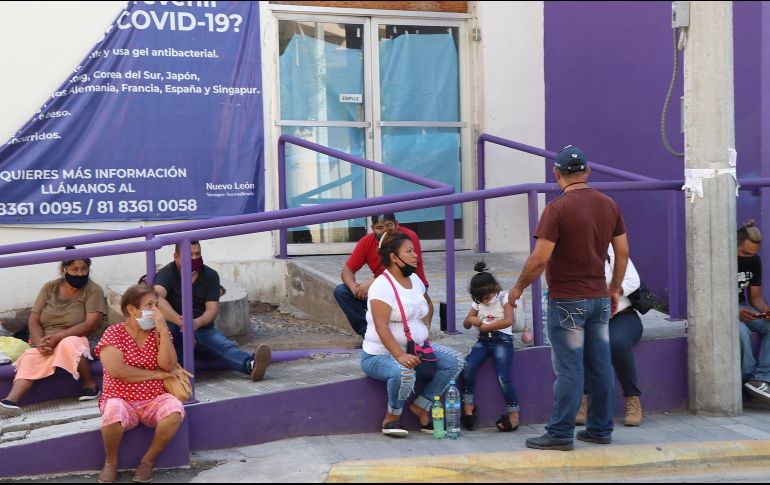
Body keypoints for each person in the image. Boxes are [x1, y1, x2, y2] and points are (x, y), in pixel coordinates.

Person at [508, 145, 629, 451]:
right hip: (599, 298)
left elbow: (539, 259)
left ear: (556, 173)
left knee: (569, 369)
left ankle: (561, 433)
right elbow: (623, 251)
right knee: (600, 365)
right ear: (587, 171)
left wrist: (518, 288)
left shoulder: (556, 209)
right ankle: (600, 430)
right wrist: (614, 288)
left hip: (567, 301)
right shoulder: (609, 205)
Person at [360, 232, 463, 437]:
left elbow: (427, 304)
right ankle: (392, 417)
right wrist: (400, 355)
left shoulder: (415, 279)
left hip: (415, 348)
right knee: (404, 372)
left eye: (414, 250)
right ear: (394, 257)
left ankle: (421, 405)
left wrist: (422, 332)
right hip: (379, 355)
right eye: (409, 251)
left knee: (455, 361)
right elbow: (381, 326)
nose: (415, 255)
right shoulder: (381, 286)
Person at [94, 284, 184, 483]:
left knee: (174, 409)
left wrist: (162, 328)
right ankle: (111, 463)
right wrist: (155, 375)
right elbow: (117, 370)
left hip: (153, 399)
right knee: (113, 412)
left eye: (156, 305)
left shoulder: (159, 332)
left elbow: (168, 366)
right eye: (149, 305)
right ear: (132, 310)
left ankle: (147, 461)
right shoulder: (114, 332)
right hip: (120, 398)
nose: (155, 311)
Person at [0, 250, 106, 417]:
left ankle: (90, 385)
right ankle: (10, 402)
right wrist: (39, 342)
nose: (80, 273)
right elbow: (33, 320)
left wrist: (57, 338)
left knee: (69, 343)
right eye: (75, 269)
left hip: (83, 339)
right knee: (30, 356)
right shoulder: (50, 287)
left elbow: (90, 324)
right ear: (64, 269)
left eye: (84, 269)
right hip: (48, 340)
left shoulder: (93, 290)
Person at [153, 241, 271, 382]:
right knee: (170, 335)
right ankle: (179, 377)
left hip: (202, 329)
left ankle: (251, 365)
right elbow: (156, 298)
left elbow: (212, 310)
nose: (194, 258)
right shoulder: (167, 273)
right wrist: (184, 325)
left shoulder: (210, 275)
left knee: (223, 345)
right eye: (190, 255)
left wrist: (195, 324)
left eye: (198, 254)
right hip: (175, 328)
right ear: (177, 257)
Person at [575, 245, 644, 427]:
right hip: (590, 319)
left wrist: (609, 290)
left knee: (617, 343)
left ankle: (632, 398)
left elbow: (632, 281)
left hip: (623, 315)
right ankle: (582, 399)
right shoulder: (571, 253)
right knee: (580, 342)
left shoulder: (610, 250)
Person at [334, 214, 429, 337]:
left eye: (389, 225)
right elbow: (347, 270)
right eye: (380, 227)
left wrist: (374, 282)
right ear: (372, 228)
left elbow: (408, 271)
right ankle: (368, 334)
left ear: (397, 224)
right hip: (382, 289)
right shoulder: (367, 241)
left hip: (408, 290)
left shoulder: (407, 239)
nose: (385, 231)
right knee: (342, 291)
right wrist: (355, 288)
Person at [461, 261, 525, 433]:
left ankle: (514, 414)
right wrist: (471, 320)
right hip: (483, 340)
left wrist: (488, 326)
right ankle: (468, 407)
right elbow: (466, 323)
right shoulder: (478, 302)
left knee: (503, 378)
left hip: (502, 339)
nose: (485, 302)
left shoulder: (504, 297)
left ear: (494, 289)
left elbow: (508, 320)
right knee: (468, 367)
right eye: (481, 300)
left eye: (487, 298)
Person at [735, 221, 770, 404]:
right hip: (721, 310)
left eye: (753, 254)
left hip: (743, 307)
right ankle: (747, 381)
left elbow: (755, 297)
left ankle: (762, 378)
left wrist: (765, 309)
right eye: (745, 253)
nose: (749, 258)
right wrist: (735, 311)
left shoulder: (754, 261)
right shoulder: (722, 259)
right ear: (734, 244)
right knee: (740, 331)